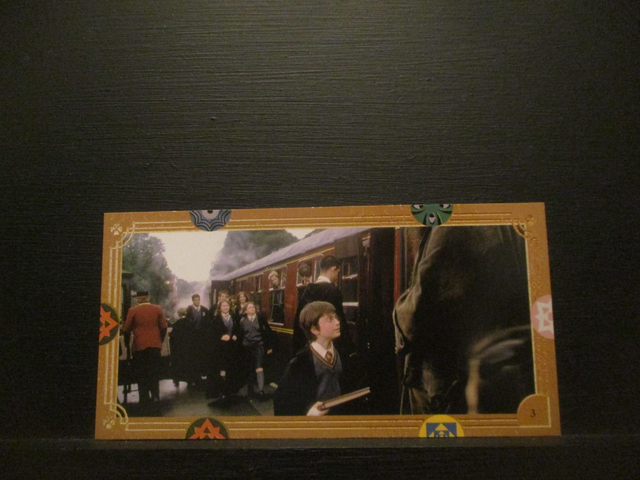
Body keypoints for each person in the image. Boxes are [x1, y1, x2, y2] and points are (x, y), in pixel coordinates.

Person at [393, 225, 535, 415]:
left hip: (447, 382)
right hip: (470, 372)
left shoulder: (452, 227)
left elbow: (421, 307)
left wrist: (397, 317)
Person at [274, 301, 364, 416]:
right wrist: (307, 414)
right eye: (330, 319)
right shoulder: (299, 364)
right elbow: (282, 403)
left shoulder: (344, 356)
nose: (337, 322)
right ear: (314, 330)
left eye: (336, 318)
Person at [292, 256, 353, 355]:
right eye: (337, 273)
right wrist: (348, 349)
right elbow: (339, 322)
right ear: (333, 269)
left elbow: (298, 321)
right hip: (328, 348)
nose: (337, 277)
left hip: (309, 348)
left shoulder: (306, 290)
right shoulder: (333, 291)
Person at [122, 291, 168, 406]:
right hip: (155, 345)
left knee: (141, 372)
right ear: (148, 298)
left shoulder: (132, 311)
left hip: (139, 346)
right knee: (154, 371)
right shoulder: (157, 309)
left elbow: (126, 329)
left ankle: (144, 397)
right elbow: (164, 326)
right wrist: (160, 339)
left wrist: (127, 344)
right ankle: (155, 395)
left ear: (138, 299)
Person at [206, 299, 241, 401]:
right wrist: (220, 336)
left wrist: (235, 335)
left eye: (227, 306)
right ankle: (221, 390)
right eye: (224, 306)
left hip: (231, 346)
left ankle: (229, 390)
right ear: (220, 308)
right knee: (222, 367)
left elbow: (237, 329)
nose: (226, 307)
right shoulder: (216, 319)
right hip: (220, 347)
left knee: (230, 367)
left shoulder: (233, 317)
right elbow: (211, 333)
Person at [238, 302, 273, 399]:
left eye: (253, 307)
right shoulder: (242, 321)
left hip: (259, 346)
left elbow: (267, 331)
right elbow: (241, 335)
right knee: (249, 368)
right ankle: (250, 390)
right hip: (247, 347)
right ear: (245, 311)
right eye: (250, 308)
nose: (252, 309)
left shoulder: (260, 318)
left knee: (259, 367)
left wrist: (269, 346)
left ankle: (261, 391)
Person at [185, 294, 210, 386]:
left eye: (198, 299)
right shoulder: (188, 310)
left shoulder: (204, 310)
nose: (197, 301)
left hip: (202, 336)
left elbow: (208, 322)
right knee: (194, 355)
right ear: (192, 301)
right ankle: (194, 376)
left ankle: (203, 373)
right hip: (192, 336)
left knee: (202, 354)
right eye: (195, 300)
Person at [169, 307, 197, 387]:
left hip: (179, 348)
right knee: (189, 364)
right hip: (189, 347)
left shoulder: (176, 324)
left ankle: (177, 380)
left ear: (178, 314)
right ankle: (190, 381)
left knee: (179, 364)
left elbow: (173, 336)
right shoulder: (190, 322)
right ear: (186, 313)